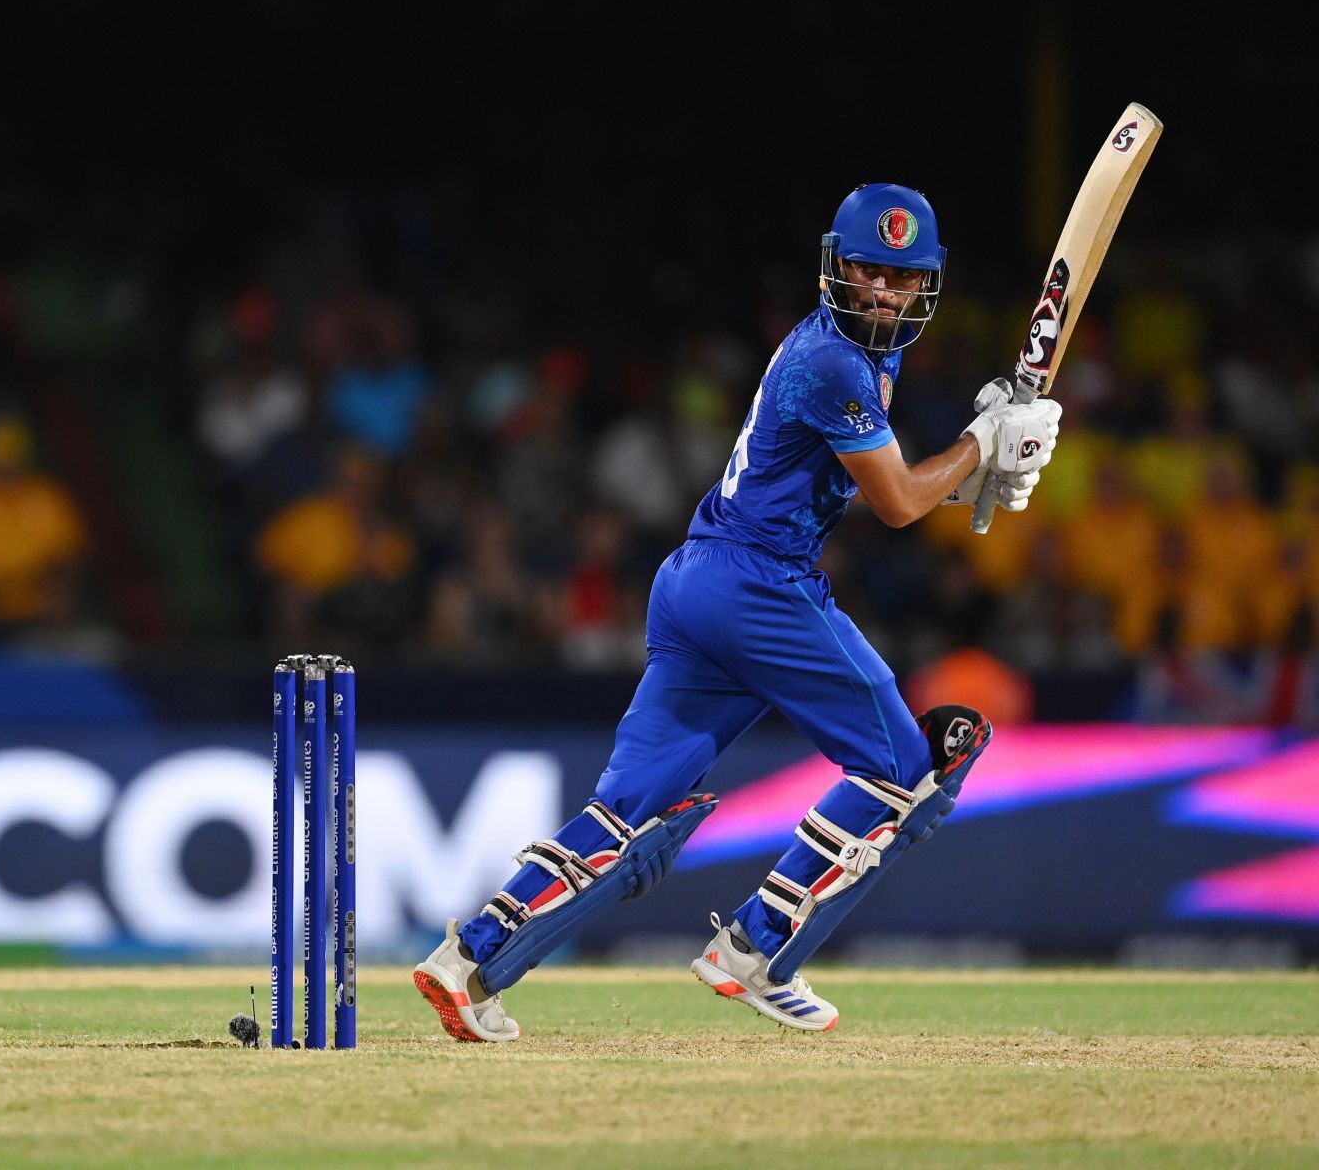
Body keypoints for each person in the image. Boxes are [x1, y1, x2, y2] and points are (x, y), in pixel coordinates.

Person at [414, 184, 1060, 1038]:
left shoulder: (864, 355)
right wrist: (981, 447)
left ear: (926, 285)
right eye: (867, 270)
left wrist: (981, 462)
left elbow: (879, 482)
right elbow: (900, 502)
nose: (880, 292)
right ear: (836, 267)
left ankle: (468, 961)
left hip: (697, 581)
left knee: (631, 806)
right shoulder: (834, 360)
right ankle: (755, 950)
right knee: (907, 768)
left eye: (900, 278)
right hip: (760, 581)